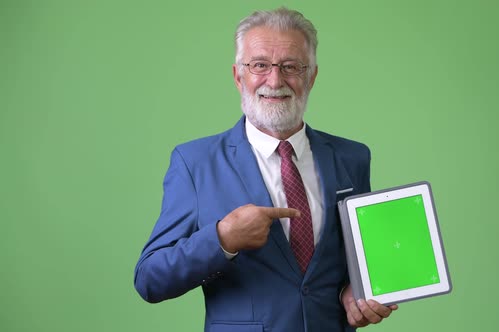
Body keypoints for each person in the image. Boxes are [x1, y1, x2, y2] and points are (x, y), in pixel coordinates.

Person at [134, 7, 397, 332]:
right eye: (259, 65)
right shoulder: (195, 163)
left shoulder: (352, 158)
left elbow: (356, 263)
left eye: (291, 67)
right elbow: (149, 280)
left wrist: (353, 290)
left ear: (311, 76)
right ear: (238, 75)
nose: (275, 80)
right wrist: (223, 238)